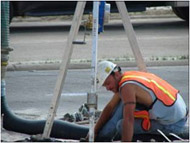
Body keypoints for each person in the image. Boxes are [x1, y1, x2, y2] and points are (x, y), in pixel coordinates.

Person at [85, 60, 189, 142]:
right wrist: (93, 131)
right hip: (180, 114)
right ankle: (102, 136)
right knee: (120, 104)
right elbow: (110, 107)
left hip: (174, 125)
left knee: (121, 125)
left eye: (108, 83)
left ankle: (103, 137)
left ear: (116, 74)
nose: (107, 88)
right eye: (105, 86)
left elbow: (128, 120)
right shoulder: (127, 78)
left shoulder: (127, 87)